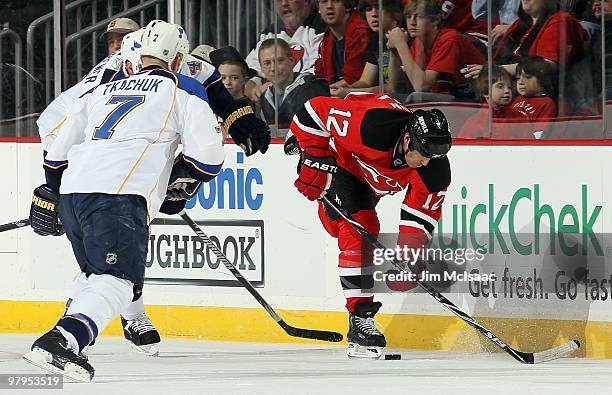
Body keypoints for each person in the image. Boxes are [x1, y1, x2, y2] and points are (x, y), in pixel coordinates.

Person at [24, 20, 225, 382]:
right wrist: (182, 178)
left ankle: (72, 333)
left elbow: (55, 155)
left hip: (74, 192)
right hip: (118, 195)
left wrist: (53, 193)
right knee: (118, 279)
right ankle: (63, 339)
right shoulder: (184, 90)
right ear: (178, 58)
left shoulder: (103, 90)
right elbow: (208, 159)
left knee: (96, 276)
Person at [289, 92, 451, 358]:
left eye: (433, 156)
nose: (426, 161)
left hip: (368, 185)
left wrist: (408, 255)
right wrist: (314, 152)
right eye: (423, 153)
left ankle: (359, 321)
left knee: (348, 229)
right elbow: (313, 109)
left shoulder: (434, 170)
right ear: (408, 139)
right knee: (359, 229)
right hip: (342, 163)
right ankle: (360, 316)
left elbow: (419, 215)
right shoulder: (372, 127)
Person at [387, 0, 485, 101]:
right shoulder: (418, 43)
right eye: (408, 17)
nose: (412, 22)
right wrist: (394, 52)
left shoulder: (449, 38)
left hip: (473, 98)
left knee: (415, 98)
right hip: (449, 99)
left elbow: (422, 86)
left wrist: (401, 45)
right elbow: (398, 88)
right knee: (391, 98)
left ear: (435, 20)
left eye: (419, 17)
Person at [331, 0, 404, 97]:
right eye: (369, 9)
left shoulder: (404, 37)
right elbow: (365, 81)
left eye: (378, 8)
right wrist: (345, 88)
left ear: (394, 11)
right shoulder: (375, 39)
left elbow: (394, 87)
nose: (374, 14)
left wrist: (349, 92)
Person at [257, 38, 329, 132]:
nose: (273, 68)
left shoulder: (313, 89)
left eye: (279, 60)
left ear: (291, 60)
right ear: (261, 68)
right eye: (267, 63)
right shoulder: (264, 99)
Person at [315, 0, 373, 93]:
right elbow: (320, 75)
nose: (329, 6)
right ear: (318, 8)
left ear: (347, 5)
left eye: (336, 1)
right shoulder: (327, 38)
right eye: (324, 1)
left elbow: (352, 79)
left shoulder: (361, 32)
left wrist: (321, 90)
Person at [458, 65, 525, 138]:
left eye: (509, 87)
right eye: (500, 87)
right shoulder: (475, 122)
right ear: (485, 92)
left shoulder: (519, 118)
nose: (507, 91)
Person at [510, 55, 557, 137]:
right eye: (518, 78)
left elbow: (539, 134)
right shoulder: (517, 99)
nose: (520, 82)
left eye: (527, 77)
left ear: (542, 79)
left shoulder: (547, 103)